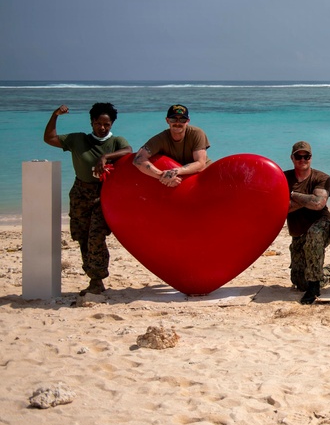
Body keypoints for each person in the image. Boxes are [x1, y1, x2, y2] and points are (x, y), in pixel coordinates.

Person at [43, 103, 132, 295]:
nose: (102, 128)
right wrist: (55, 114)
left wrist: (106, 157)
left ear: (112, 124)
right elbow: (49, 138)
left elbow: (128, 151)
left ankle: (97, 279)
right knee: (81, 236)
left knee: (96, 236)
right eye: (98, 123)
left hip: (104, 195)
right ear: (91, 122)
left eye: (106, 124)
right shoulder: (78, 139)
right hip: (80, 194)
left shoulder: (116, 141)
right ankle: (92, 277)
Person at [284, 141, 330, 304]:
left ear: (311, 158)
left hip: (322, 224)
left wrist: (292, 194)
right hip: (299, 231)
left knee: (314, 235)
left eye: (306, 156)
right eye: (299, 156)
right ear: (292, 158)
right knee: (299, 281)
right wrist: (308, 198)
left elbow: (318, 204)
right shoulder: (283, 178)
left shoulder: (322, 178)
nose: (302, 159)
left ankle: (314, 287)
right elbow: (280, 208)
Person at [132, 104, 209, 187]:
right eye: (173, 119)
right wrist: (162, 176)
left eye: (182, 119)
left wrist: (175, 171)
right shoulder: (161, 139)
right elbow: (138, 159)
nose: (177, 123)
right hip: (177, 180)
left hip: (202, 176)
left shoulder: (196, 133)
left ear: (187, 121)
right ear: (167, 120)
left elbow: (200, 164)